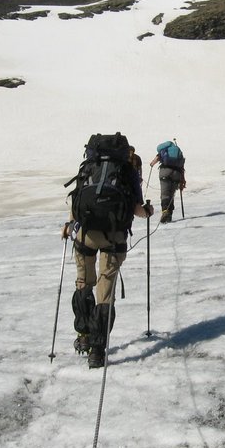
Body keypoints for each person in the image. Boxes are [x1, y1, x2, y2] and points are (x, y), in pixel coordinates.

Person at [63, 133, 153, 368]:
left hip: (85, 235)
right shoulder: (126, 172)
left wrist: (69, 224)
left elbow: (75, 201)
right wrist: (148, 211)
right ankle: (97, 349)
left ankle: (83, 335)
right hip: (114, 238)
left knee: (83, 282)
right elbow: (137, 209)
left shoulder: (88, 168)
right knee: (105, 290)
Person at [149, 139, 186, 223]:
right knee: (171, 194)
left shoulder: (164, 150)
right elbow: (182, 167)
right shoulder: (179, 152)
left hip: (165, 172)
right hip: (176, 174)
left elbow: (154, 161)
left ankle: (165, 211)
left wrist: (152, 164)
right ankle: (170, 215)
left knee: (165, 193)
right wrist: (182, 180)